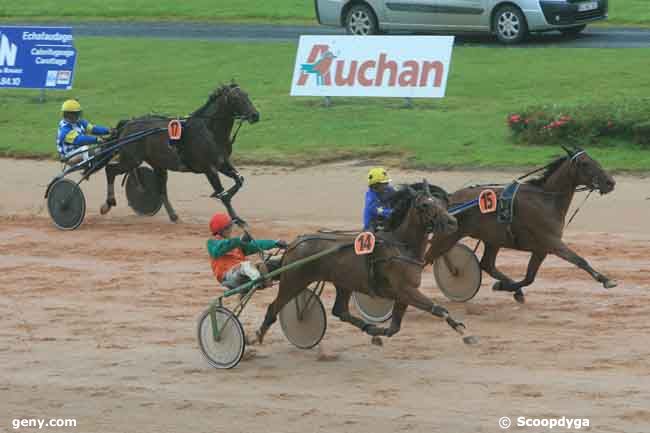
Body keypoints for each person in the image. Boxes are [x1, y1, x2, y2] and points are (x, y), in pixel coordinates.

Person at [207, 212, 288, 290]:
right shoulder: (212, 243)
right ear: (221, 230)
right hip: (229, 277)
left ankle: (260, 277)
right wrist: (238, 240)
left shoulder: (235, 244)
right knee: (246, 265)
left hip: (246, 273)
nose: (231, 229)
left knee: (279, 262)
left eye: (231, 226)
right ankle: (258, 279)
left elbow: (255, 245)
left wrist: (274, 243)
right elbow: (218, 250)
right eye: (228, 227)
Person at [56, 99, 113, 164]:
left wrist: (108, 131)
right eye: (76, 113)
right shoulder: (65, 130)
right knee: (85, 148)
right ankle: (88, 165)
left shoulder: (80, 122)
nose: (78, 115)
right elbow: (79, 140)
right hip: (68, 156)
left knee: (98, 148)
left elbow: (93, 129)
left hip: (79, 151)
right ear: (69, 115)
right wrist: (96, 139)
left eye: (78, 113)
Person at [363, 167, 396, 231]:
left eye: (387, 183)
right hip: (372, 224)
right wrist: (391, 212)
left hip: (386, 219)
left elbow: (397, 195)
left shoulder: (388, 189)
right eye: (384, 184)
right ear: (375, 185)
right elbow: (377, 210)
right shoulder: (370, 197)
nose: (387, 185)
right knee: (371, 230)